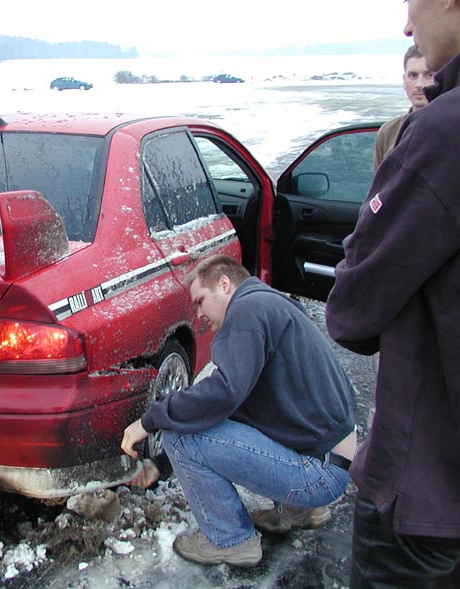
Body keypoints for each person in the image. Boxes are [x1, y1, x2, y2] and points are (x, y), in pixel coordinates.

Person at [325, 1, 460, 586]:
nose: (408, 26)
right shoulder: (402, 131)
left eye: (412, 4)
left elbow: (352, 311)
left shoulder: (443, 131)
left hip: (427, 484)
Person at [121, 254, 357, 568]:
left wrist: (149, 421)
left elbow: (224, 393)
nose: (199, 314)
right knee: (198, 425)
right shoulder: (272, 304)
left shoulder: (247, 309)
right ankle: (300, 509)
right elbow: (235, 408)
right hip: (332, 461)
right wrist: (162, 464)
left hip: (317, 474)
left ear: (225, 284)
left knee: (180, 436)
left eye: (200, 301)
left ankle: (231, 540)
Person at [373, 45, 435, 170]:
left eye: (429, 75)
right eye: (413, 75)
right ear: (404, 81)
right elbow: (380, 180)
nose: (419, 84)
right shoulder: (388, 132)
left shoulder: (453, 127)